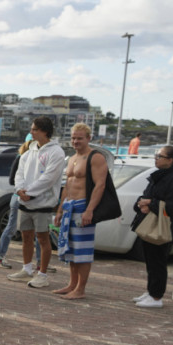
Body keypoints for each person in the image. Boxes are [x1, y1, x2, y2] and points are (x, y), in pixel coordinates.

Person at [7, 116, 66, 289]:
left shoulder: (56, 152)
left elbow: (49, 178)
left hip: (43, 204)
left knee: (42, 238)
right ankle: (27, 268)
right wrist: (20, 190)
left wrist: (30, 193)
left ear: (44, 131)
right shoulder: (29, 152)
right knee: (25, 237)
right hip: (25, 202)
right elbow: (19, 173)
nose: (31, 132)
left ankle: (43, 274)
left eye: (34, 129)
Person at [51, 123, 106, 299]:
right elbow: (67, 186)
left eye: (79, 138)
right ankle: (72, 284)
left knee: (83, 251)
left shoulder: (96, 157)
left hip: (83, 207)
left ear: (89, 138)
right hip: (70, 207)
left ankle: (80, 289)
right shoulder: (73, 158)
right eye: (73, 138)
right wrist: (60, 210)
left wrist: (90, 210)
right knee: (71, 249)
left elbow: (100, 185)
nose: (75, 141)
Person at [130, 145, 173, 308]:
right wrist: (142, 202)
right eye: (156, 155)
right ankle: (151, 291)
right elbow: (147, 194)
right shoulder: (159, 175)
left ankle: (156, 297)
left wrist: (151, 204)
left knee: (158, 262)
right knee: (150, 261)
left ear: (170, 160)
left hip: (163, 227)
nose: (156, 158)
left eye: (159, 156)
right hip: (150, 223)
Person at [0, 140, 32, 268]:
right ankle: (0, 257)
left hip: (19, 196)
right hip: (20, 197)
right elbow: (12, 180)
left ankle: (0, 257)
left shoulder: (21, 158)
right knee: (13, 227)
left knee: (14, 227)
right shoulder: (22, 159)